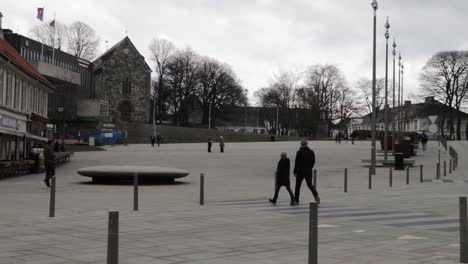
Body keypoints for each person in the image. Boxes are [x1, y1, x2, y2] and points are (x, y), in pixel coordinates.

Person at [294, 140, 320, 205]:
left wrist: (295, 171)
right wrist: (310, 167)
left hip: (300, 171)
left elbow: (296, 163)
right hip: (308, 171)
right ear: (306, 144)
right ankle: (316, 196)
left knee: (298, 186)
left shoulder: (299, 152)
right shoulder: (311, 152)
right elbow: (313, 161)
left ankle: (296, 200)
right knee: (310, 184)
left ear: (301, 145)